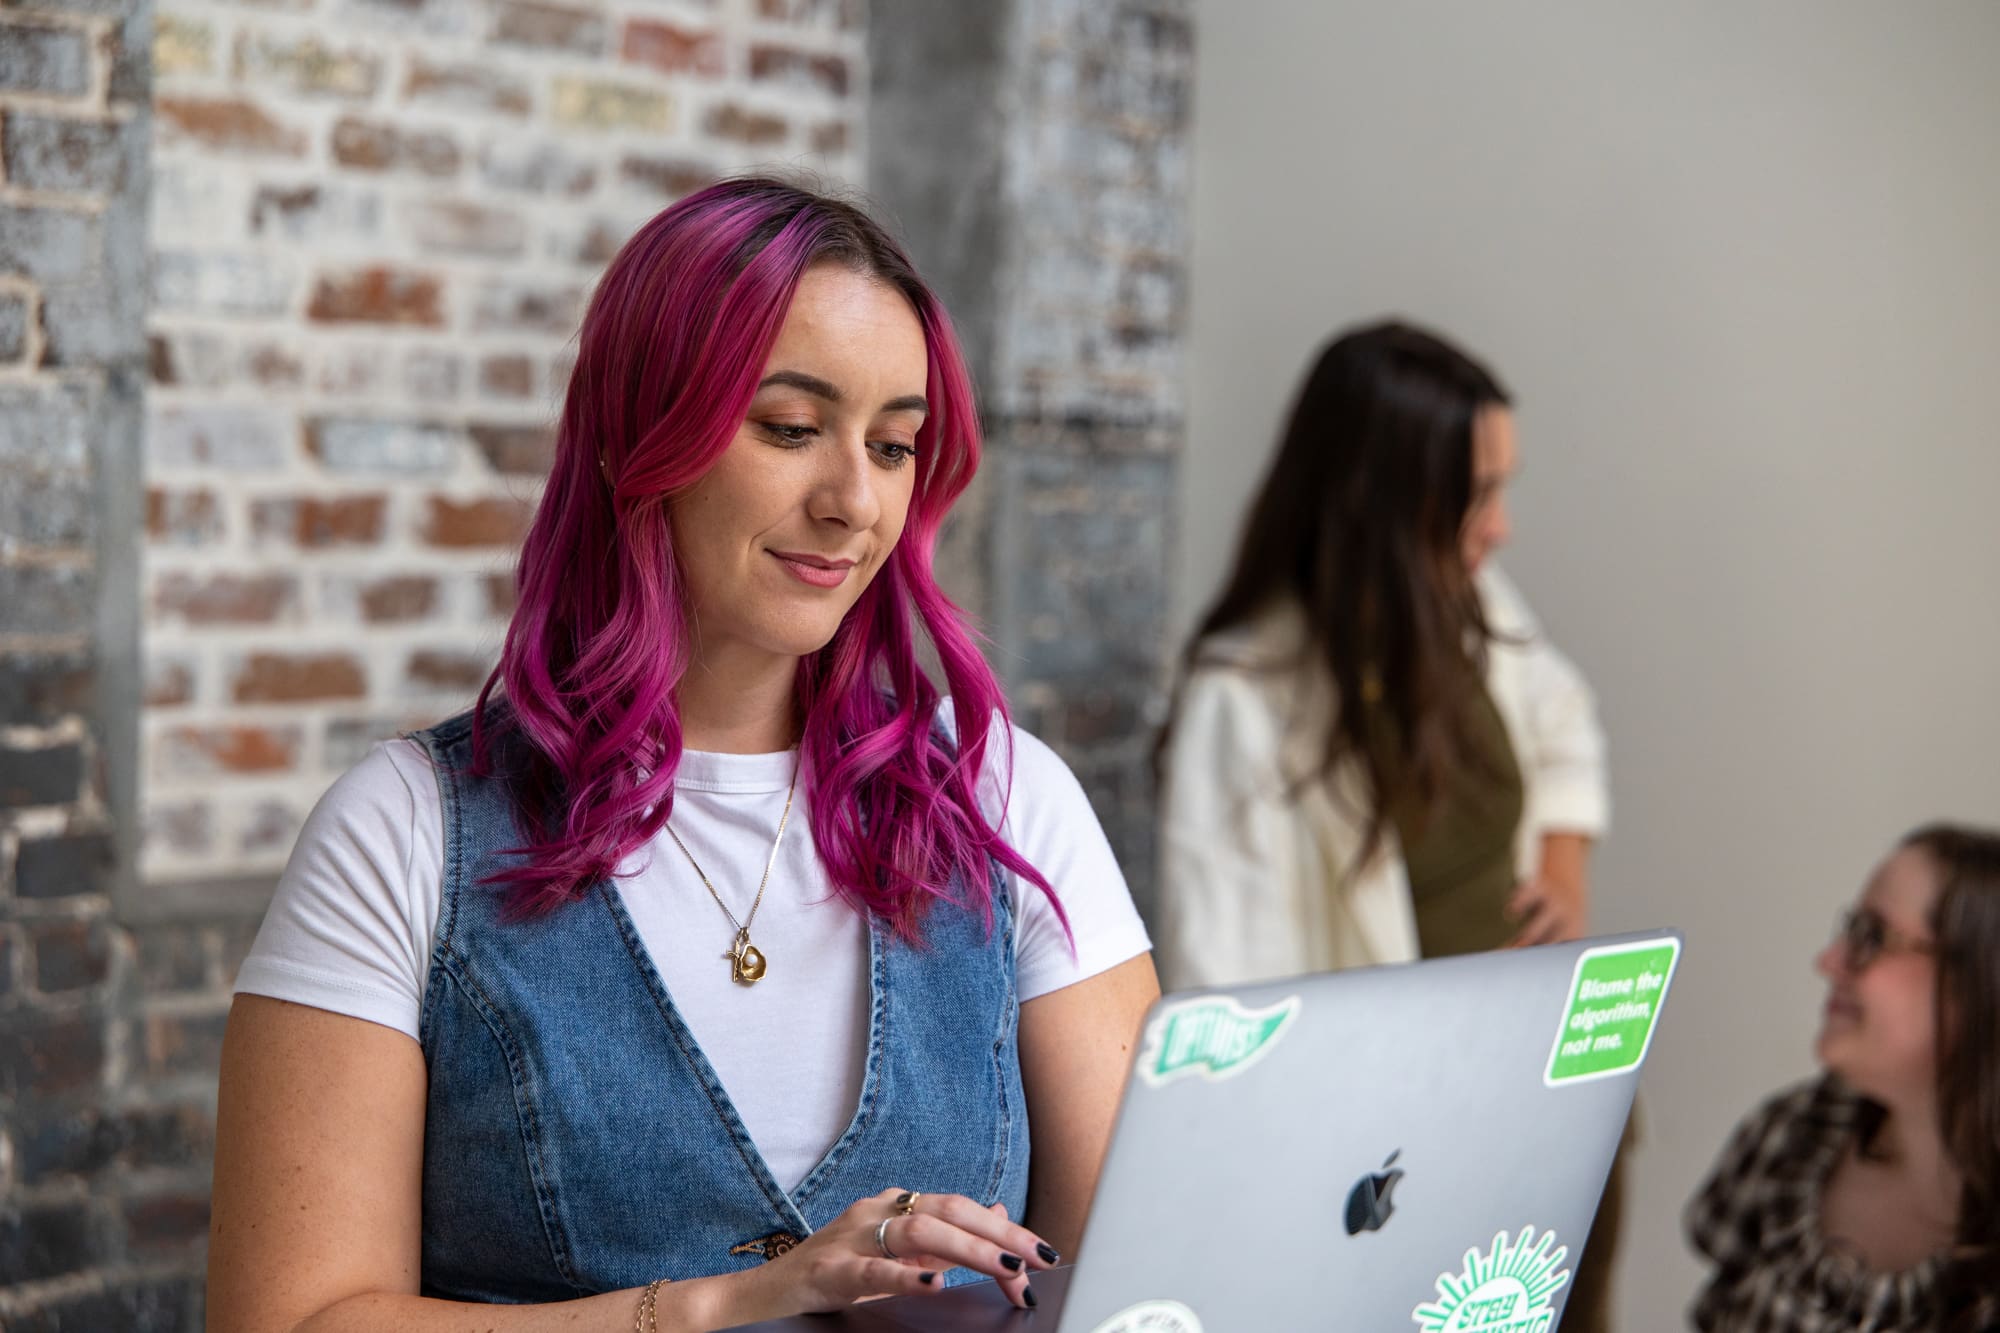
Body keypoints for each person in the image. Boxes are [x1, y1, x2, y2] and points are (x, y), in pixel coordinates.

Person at [206, 177, 1160, 1332]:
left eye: (895, 444)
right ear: (638, 440)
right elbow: (289, 1320)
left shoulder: (1007, 801)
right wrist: (716, 1304)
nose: (855, 501)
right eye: (791, 428)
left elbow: (1147, 1280)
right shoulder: (404, 831)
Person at [1153, 320, 1621, 1323]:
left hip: (1547, 1106)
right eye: (1478, 493)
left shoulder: (1468, 600)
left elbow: (1563, 718)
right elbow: (1232, 999)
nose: (1499, 527)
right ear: (1386, 495)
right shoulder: (1244, 698)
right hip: (1412, 1165)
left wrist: (1562, 863)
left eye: (1503, 486)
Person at [1687, 824, 2000, 1331]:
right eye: (1850, 928)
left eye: (1873, 936)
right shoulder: (1786, 1138)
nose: (1828, 962)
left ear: (1979, 983)